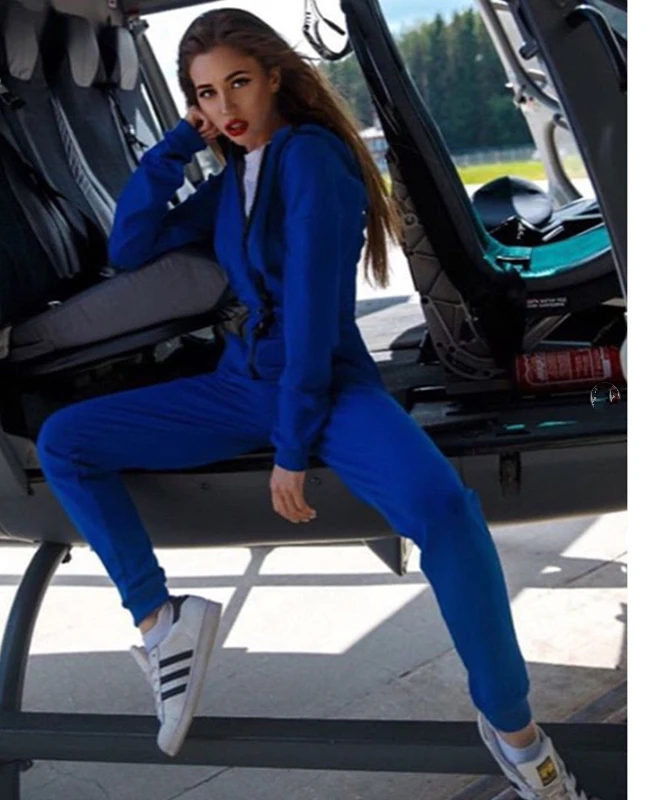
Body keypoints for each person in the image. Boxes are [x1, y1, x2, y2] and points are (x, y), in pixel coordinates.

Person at [37, 8, 597, 798]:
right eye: (207, 94)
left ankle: (513, 727)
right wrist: (179, 144)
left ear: (275, 76)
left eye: (239, 82)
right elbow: (130, 245)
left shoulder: (312, 158)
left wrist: (292, 451)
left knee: (444, 510)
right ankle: (162, 625)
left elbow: (310, 310)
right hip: (242, 384)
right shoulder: (233, 180)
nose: (227, 106)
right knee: (66, 441)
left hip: (328, 385)